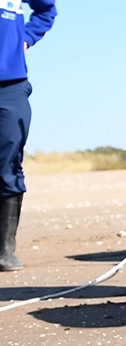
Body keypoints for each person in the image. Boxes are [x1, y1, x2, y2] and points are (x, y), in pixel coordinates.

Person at [0, 0, 56, 271]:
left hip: (11, 85)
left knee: (9, 161)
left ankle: (4, 250)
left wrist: (25, 39)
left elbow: (47, 10)